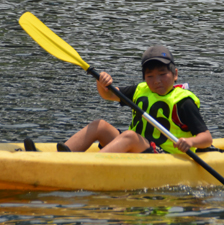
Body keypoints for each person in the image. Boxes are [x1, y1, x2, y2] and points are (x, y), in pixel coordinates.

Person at [24, 45, 212, 154]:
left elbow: (207, 138)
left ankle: (88, 166)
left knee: (129, 136)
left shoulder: (183, 102)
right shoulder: (141, 89)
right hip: (140, 147)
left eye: (163, 74)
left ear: (175, 74)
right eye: (150, 76)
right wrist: (102, 82)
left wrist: (192, 143)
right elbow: (107, 94)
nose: (157, 81)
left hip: (163, 155)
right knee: (100, 125)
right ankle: (59, 158)